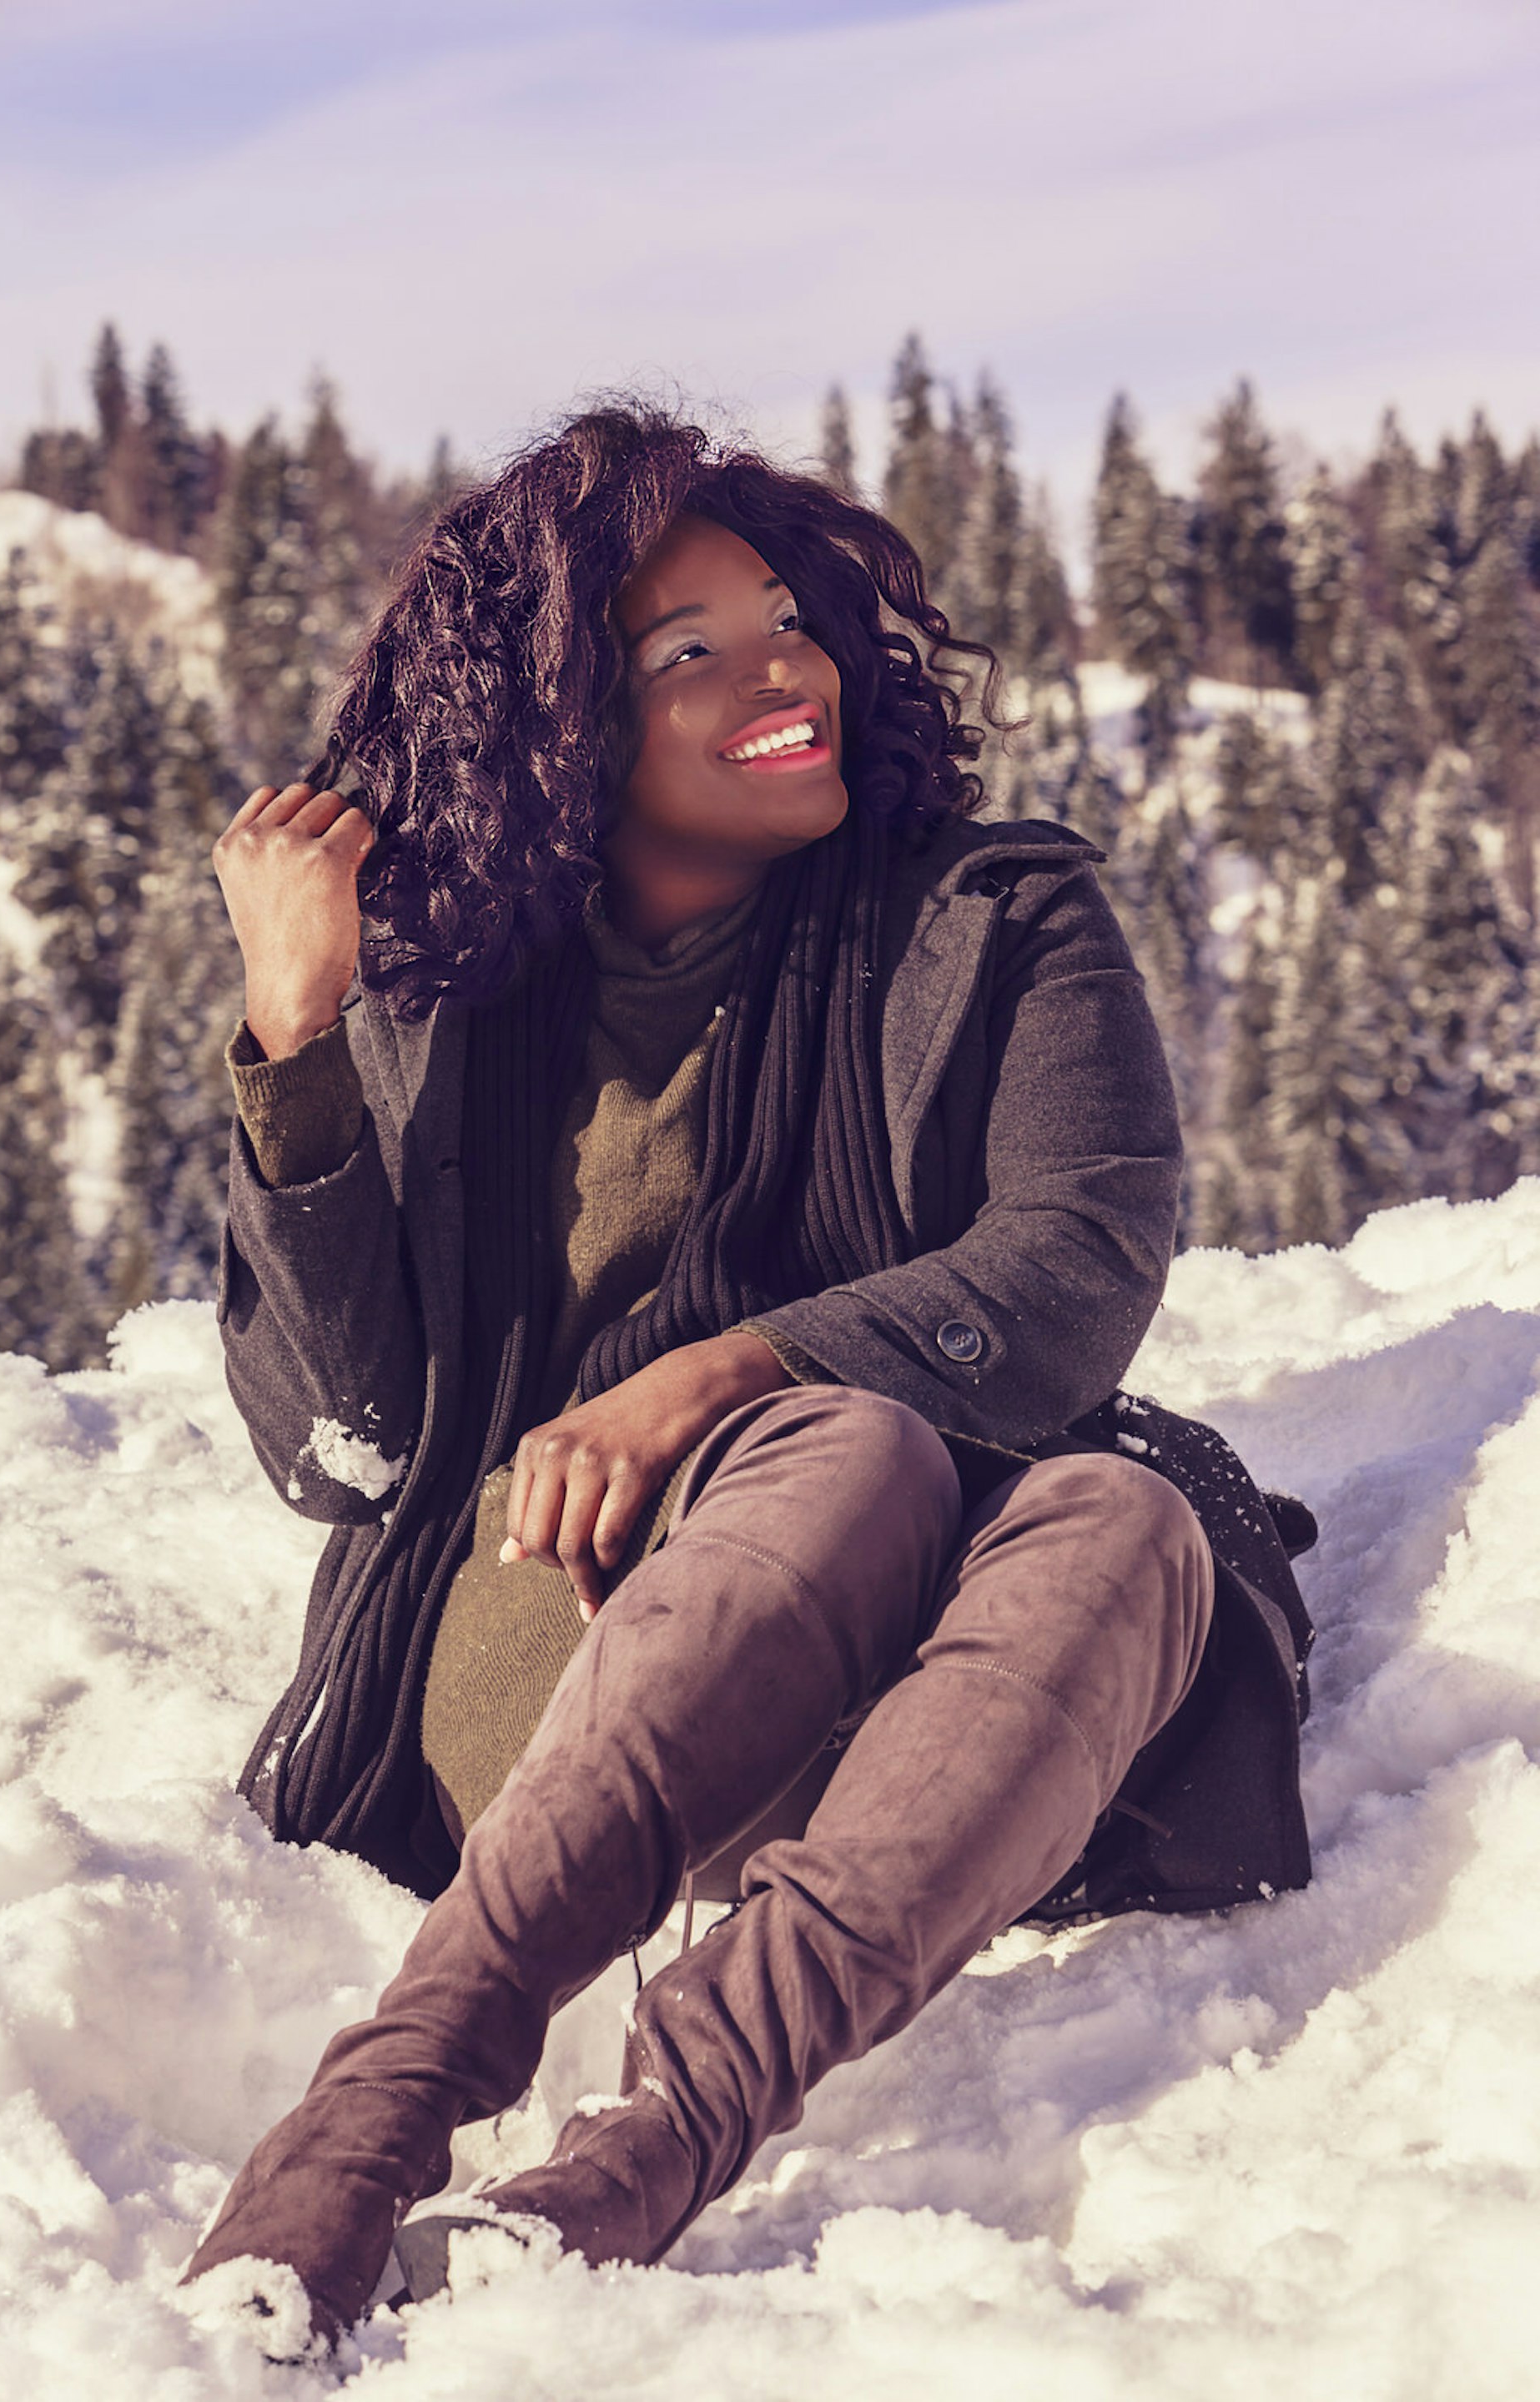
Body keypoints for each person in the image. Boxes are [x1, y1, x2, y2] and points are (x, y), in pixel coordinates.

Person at [183, 405, 1313, 2350]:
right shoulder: (443, 1010)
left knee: (1123, 1507)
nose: (776, 666)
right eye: (682, 649)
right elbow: (344, 1448)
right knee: (844, 1445)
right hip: (577, 1653)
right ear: (557, 726)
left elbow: (1080, 1259)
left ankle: (641, 2157)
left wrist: (724, 1362)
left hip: (945, 1710)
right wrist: (298, 1032)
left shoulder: (993, 916)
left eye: (784, 620)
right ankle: (362, 2132)